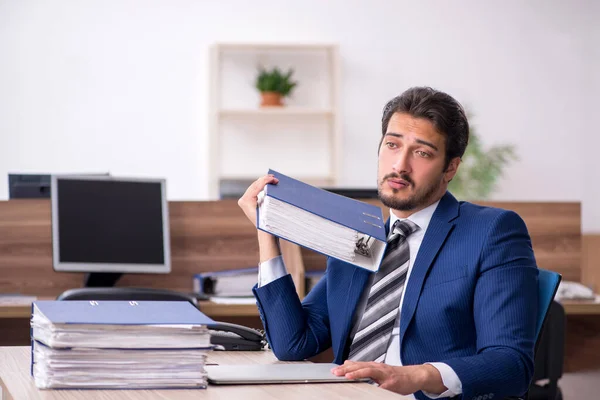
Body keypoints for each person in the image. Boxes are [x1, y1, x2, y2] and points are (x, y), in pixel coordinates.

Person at [238, 86, 538, 400]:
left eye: (422, 152)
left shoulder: (491, 231)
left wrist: (418, 375)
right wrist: (267, 228)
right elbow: (293, 343)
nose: (400, 165)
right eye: (392, 145)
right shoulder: (360, 239)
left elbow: (511, 364)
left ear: (450, 167)